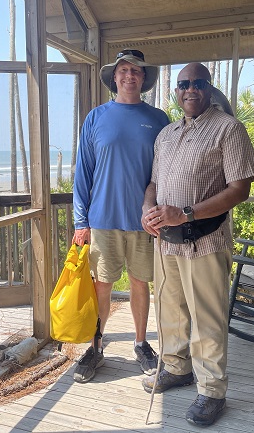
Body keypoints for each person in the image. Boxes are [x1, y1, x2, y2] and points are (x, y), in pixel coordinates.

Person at [140, 62, 254, 426]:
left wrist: (187, 213)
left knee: (207, 318)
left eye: (197, 83)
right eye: (182, 84)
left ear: (208, 88)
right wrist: (148, 210)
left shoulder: (228, 128)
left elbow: (240, 188)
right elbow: (154, 184)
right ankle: (176, 368)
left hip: (205, 240)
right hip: (167, 242)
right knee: (170, 310)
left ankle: (211, 391)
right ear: (175, 91)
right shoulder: (167, 134)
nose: (189, 89)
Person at [72, 49, 170, 383]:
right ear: (114, 77)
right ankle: (95, 346)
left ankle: (141, 344)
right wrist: (80, 222)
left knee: (141, 284)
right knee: (102, 286)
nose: (130, 76)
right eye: (124, 70)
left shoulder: (159, 119)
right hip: (102, 219)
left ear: (144, 79)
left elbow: (168, 171)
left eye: (137, 71)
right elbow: (82, 173)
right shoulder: (96, 118)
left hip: (146, 222)